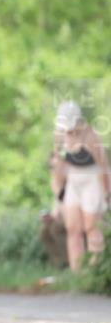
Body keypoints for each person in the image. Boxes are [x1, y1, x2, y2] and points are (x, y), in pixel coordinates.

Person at [52, 101, 108, 271]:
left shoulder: (90, 135)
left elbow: (102, 166)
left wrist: (107, 194)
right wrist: (58, 198)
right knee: (72, 228)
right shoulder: (59, 135)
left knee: (91, 226)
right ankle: (77, 272)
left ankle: (95, 269)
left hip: (93, 178)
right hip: (73, 180)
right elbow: (58, 167)